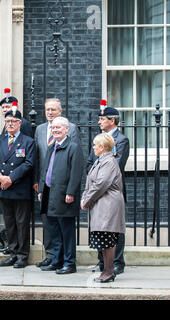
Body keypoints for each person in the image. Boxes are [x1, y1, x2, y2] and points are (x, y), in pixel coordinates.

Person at [33, 98, 80, 268]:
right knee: (53, 228)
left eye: (58, 128)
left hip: (63, 193)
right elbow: (43, 165)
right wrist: (40, 187)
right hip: (48, 191)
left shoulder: (73, 146)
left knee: (66, 229)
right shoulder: (51, 144)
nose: (55, 130)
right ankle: (56, 259)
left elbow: (75, 171)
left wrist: (71, 192)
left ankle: (69, 262)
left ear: (67, 129)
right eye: (53, 128)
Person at [86, 102, 129, 275]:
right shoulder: (99, 140)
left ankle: (117, 262)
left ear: (112, 120)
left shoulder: (121, 140)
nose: (99, 122)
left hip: (110, 192)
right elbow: (90, 162)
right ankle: (102, 262)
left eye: (102, 119)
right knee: (99, 227)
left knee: (113, 228)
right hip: (97, 190)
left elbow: (115, 166)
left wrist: (97, 181)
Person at [81, 133, 126, 283]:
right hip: (102, 204)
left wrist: (86, 200)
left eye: (95, 145)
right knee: (104, 240)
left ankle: (108, 272)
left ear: (102, 147)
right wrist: (85, 197)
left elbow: (101, 184)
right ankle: (107, 271)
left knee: (108, 239)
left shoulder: (108, 162)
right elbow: (92, 183)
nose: (93, 147)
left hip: (108, 205)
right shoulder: (102, 160)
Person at [0, 105, 35, 268]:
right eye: (7, 121)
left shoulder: (28, 141)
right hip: (4, 188)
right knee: (9, 223)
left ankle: (22, 256)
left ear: (20, 123)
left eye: (13, 121)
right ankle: (12, 253)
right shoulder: (0, 140)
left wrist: (10, 178)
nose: (10, 124)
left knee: (21, 223)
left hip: (19, 188)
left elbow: (28, 163)